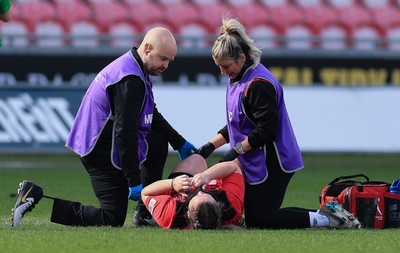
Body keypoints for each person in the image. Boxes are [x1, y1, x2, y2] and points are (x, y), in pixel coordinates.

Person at [11, 27, 197, 228]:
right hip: (98, 149)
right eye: (163, 58)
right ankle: (35, 196)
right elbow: (124, 133)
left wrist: (179, 143)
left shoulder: (135, 67)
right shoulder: (130, 79)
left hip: (103, 140)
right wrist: (134, 180)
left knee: (158, 141)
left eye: (170, 60)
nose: (166, 65)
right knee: (111, 218)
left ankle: (145, 213)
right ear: (148, 48)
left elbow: (151, 112)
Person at [197, 18, 361, 229]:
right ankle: (329, 214)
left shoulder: (258, 84)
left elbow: (266, 130)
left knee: (261, 220)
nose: (222, 72)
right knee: (259, 217)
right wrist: (209, 147)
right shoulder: (237, 77)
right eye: (219, 67)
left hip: (275, 160)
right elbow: (236, 123)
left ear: (241, 57)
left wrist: (234, 152)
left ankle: (328, 219)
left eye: (225, 66)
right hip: (258, 158)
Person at [141, 154, 244, 229]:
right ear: (219, 205)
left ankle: (141, 216)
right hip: (215, 181)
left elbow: (145, 193)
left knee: (197, 159)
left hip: (177, 187)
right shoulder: (231, 205)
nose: (198, 189)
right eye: (206, 192)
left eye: (195, 195)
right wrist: (207, 176)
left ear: (188, 214)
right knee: (238, 160)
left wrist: (172, 183)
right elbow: (234, 167)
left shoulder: (170, 214)